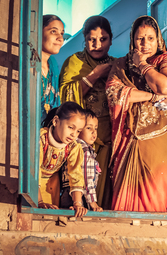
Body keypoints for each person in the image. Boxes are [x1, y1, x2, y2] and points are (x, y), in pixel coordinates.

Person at [106, 16, 167, 212]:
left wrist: (142, 64)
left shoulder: (166, 60)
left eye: (150, 38)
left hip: (159, 136)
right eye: (140, 39)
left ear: (158, 40)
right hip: (129, 137)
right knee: (125, 192)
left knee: (156, 190)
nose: (145, 44)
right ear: (133, 40)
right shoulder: (122, 64)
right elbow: (114, 95)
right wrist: (152, 97)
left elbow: (164, 86)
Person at [59, 15, 114, 209]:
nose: (97, 44)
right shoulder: (74, 62)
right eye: (92, 39)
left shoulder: (117, 66)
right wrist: (96, 74)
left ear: (111, 39)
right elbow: (66, 98)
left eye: (103, 39)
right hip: (79, 139)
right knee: (78, 183)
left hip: (109, 139)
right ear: (84, 39)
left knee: (104, 190)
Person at [38, 101, 88, 218]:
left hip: (52, 182)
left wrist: (77, 203)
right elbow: (33, 170)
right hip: (35, 181)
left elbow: (76, 174)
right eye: (71, 127)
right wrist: (39, 201)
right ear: (55, 121)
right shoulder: (41, 139)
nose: (74, 134)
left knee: (51, 216)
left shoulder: (73, 147)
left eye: (78, 131)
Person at [60, 109, 103, 212]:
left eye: (96, 128)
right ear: (79, 131)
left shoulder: (82, 148)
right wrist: (92, 202)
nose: (94, 132)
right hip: (78, 195)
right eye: (89, 128)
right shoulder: (83, 150)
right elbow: (86, 179)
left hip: (70, 193)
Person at [41, 15, 64, 123]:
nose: (60, 38)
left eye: (62, 33)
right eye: (53, 31)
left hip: (49, 130)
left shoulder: (53, 64)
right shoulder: (28, 63)